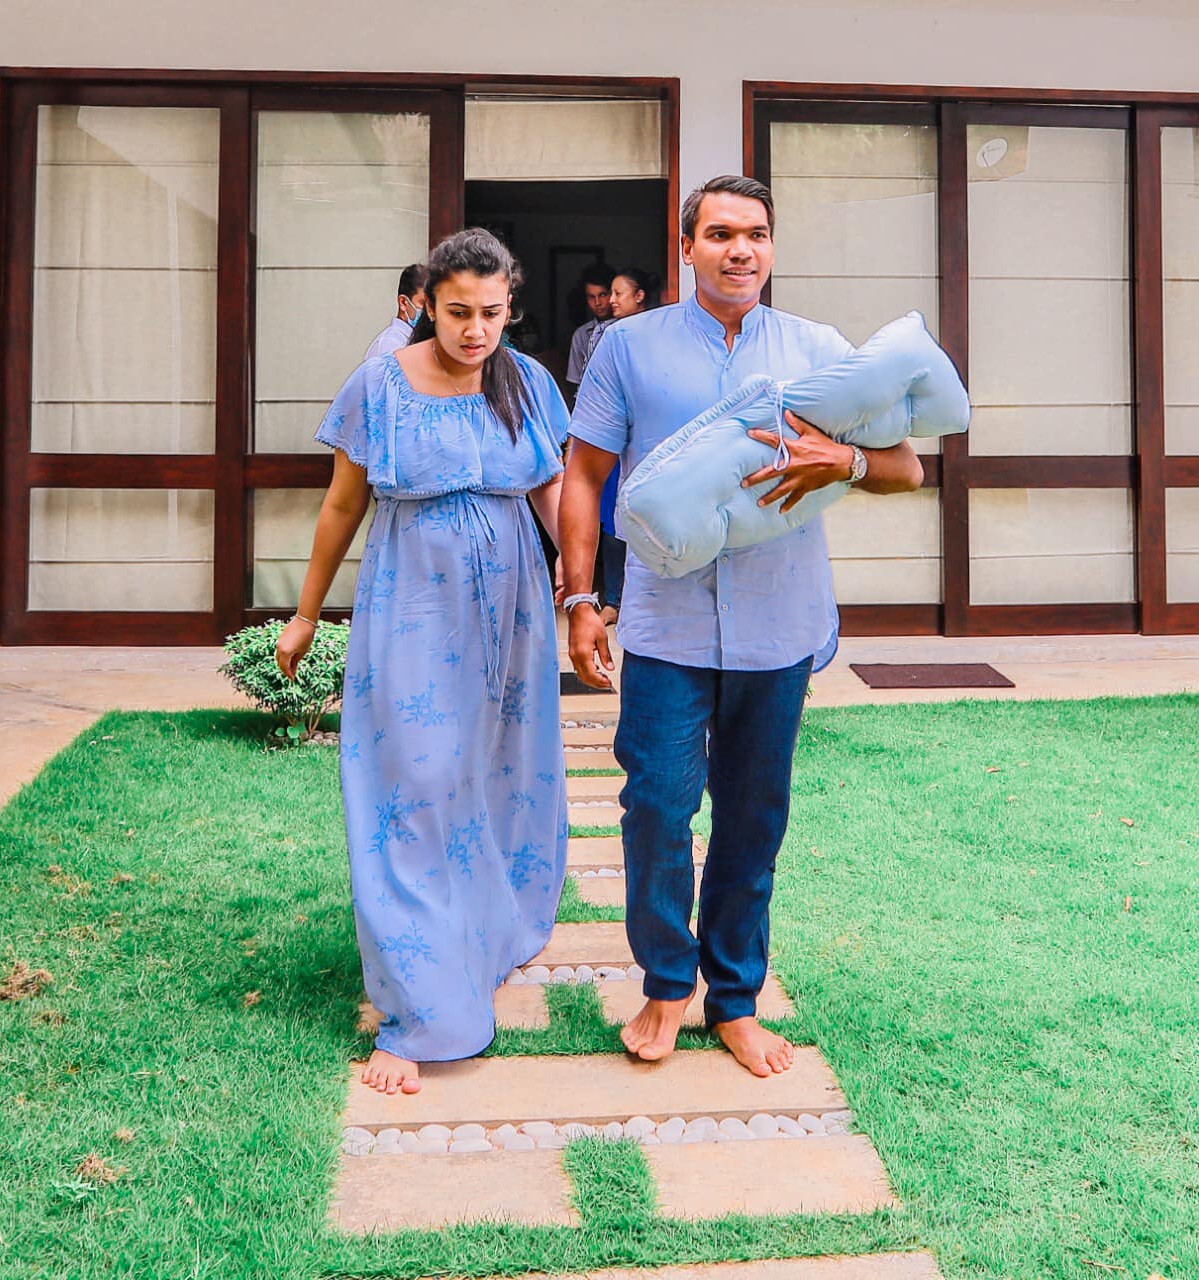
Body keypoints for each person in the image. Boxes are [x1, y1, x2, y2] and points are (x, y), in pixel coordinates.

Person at [559, 176, 924, 1078]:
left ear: (772, 246)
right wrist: (579, 598)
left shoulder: (820, 351)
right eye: (720, 233)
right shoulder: (628, 347)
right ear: (687, 246)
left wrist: (843, 460)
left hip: (779, 620)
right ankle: (664, 982)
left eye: (756, 234)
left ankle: (733, 999)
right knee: (656, 807)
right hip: (665, 625)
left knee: (753, 818)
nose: (740, 250)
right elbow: (584, 473)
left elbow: (906, 467)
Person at [277, 229, 570, 1097]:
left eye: (491, 313)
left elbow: (554, 490)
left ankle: (478, 938)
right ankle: (419, 1009)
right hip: (414, 603)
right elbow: (341, 505)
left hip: (513, 607)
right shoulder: (380, 386)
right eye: (458, 313)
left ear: (510, 307)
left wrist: (584, 590)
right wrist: (304, 614)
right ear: (424, 306)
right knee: (415, 782)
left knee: (500, 774)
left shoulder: (529, 383)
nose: (475, 331)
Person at [597, 267, 658, 625]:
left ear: (639, 296)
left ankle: (643, 598)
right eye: (611, 293)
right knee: (611, 519)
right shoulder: (606, 335)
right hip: (611, 438)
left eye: (619, 293)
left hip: (646, 440)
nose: (612, 300)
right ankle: (613, 599)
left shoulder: (657, 335)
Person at [566, 263, 616, 391]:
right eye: (591, 297)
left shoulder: (625, 329)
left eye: (603, 295)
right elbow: (575, 382)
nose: (597, 303)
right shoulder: (581, 335)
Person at [363, 263, 428, 360]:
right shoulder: (390, 345)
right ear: (403, 302)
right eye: (424, 303)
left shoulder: (420, 341)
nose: (430, 311)